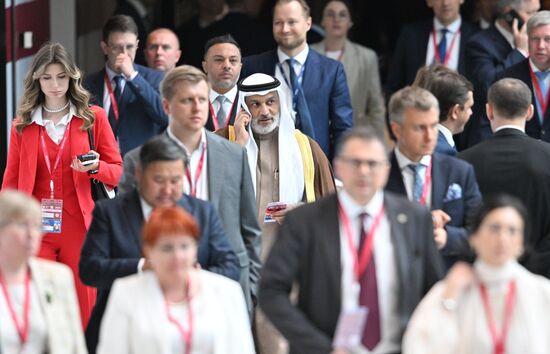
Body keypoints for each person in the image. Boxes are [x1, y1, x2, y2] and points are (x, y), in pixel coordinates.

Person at [259, 127, 444, 354]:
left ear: (386, 170)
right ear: (338, 167)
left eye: (372, 163)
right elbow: (271, 291)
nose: (364, 171)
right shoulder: (305, 222)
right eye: (355, 162)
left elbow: (434, 292)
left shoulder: (414, 218)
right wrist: (319, 347)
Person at [118, 65, 261, 317]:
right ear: (165, 106)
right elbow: (127, 232)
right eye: (187, 100)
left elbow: (249, 229)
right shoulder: (137, 161)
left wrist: (251, 289)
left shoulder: (234, 155)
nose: (197, 108)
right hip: (163, 290)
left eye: (202, 99)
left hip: (227, 289)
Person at [80, 135, 239, 354]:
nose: (167, 189)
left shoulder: (202, 212)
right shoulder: (110, 212)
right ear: (139, 174)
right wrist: (142, 266)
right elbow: (90, 270)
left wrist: (195, 275)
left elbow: (230, 267)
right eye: (159, 180)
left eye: (175, 181)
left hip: (190, 331)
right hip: (123, 332)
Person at [2, 42, 122, 328]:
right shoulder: (23, 125)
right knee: (39, 305)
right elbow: (11, 178)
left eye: (61, 77)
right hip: (36, 227)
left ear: (71, 78)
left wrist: (96, 167)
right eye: (47, 77)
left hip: (79, 225)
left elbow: (117, 172)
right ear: (37, 80)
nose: (55, 85)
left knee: (83, 305)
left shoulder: (93, 118)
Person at [216, 73, 335, 354]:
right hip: (236, 256)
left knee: (277, 340)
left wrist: (301, 211)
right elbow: (207, 195)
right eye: (255, 105)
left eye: (270, 102)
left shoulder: (306, 148)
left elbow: (332, 210)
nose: (264, 111)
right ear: (243, 108)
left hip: (285, 257)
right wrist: (238, 146)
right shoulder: (222, 141)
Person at [403, 194, 550, 354]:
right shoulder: (451, 288)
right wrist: (449, 298)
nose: (502, 238)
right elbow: (419, 346)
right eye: (494, 228)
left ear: (521, 243)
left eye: (512, 231)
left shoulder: (539, 291)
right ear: (474, 237)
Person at [96, 206, 254, 354]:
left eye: (185, 246)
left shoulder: (227, 292)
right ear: (148, 251)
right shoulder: (125, 294)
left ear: (196, 248)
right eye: (167, 248)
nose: (177, 256)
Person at [459, 78, 550, 278]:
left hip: (482, 277)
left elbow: (462, 226)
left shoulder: (464, 162)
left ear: (489, 110)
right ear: (530, 112)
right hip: (542, 278)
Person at [241, 0, 353, 159]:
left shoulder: (331, 70)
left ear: (308, 23)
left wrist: (337, 174)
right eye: (278, 22)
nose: (285, 29)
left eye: (291, 22)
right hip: (265, 165)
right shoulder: (253, 66)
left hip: (315, 167)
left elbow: (343, 129)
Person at [385, 86, 482, 268]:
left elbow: (480, 234)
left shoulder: (460, 172)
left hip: (445, 284)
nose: (430, 136)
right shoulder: (379, 173)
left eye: (433, 126)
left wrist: (447, 238)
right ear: (396, 130)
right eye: (420, 128)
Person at [0, 190, 87, 354]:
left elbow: (76, 345)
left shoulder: (59, 278)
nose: (32, 234)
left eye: (38, 226)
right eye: (23, 225)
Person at [84, 14, 168, 156]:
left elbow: (163, 116)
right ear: (104, 48)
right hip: (102, 167)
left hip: (140, 167)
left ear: (137, 45)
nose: (124, 54)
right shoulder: (87, 83)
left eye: (129, 47)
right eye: (117, 47)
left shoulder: (154, 78)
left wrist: (133, 77)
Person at [463, 0, 540, 147]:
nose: (535, 19)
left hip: (530, 135)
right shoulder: (479, 44)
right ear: (509, 13)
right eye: (530, 13)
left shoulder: (538, 43)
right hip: (491, 137)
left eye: (537, 11)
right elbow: (490, 84)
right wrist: (520, 52)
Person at [311, 0, 385, 133]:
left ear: (350, 22)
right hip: (316, 137)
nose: (336, 19)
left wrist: (373, 144)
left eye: (342, 15)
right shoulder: (307, 54)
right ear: (322, 21)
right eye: (330, 14)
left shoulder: (366, 57)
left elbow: (376, 107)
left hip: (354, 136)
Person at [385, 0, 479, 97]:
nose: (445, 3)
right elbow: (394, 86)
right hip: (419, 107)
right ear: (429, 2)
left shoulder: (478, 37)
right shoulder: (411, 35)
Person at [497, 10, 550, 142]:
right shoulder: (508, 78)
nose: (541, 46)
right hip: (522, 156)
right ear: (527, 40)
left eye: (548, 39)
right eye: (535, 39)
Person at [413, 64, 474, 155]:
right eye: (469, 107)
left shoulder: (413, 140)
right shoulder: (446, 153)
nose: (471, 113)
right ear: (455, 111)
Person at [202, 34, 243, 131]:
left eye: (233, 60)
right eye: (219, 60)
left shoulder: (251, 102)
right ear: (205, 66)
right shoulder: (193, 102)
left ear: (240, 67)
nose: (227, 66)